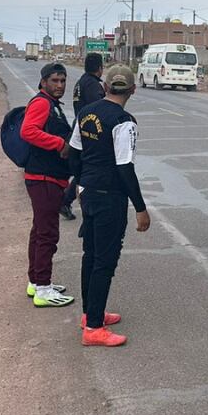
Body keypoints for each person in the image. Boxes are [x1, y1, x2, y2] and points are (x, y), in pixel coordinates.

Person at [68, 64, 150, 346]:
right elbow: (125, 167)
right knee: (104, 261)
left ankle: (90, 314)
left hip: (89, 192)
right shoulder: (124, 121)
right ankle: (93, 328)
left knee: (90, 256)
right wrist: (140, 207)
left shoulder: (85, 112)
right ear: (132, 90)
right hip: (109, 197)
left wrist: (79, 184)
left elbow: (74, 153)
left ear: (104, 88)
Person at [20, 63, 75, 307]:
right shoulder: (42, 103)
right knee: (47, 233)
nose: (59, 85)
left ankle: (36, 281)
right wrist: (58, 144)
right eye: (54, 80)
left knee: (39, 230)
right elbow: (28, 131)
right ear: (43, 82)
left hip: (48, 176)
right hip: (44, 178)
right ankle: (43, 288)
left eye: (63, 81)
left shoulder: (51, 104)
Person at [61, 52, 107, 220]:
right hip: (89, 131)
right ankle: (66, 200)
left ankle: (66, 199)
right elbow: (99, 108)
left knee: (79, 166)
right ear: (100, 68)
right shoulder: (93, 85)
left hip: (79, 127)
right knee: (84, 168)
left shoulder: (81, 82)